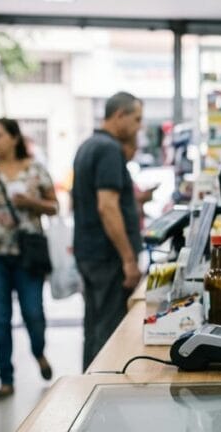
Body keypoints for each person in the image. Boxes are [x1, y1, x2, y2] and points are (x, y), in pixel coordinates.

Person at [0, 118, 58, 403]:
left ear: (14, 138)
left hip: (28, 256)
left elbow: (55, 206)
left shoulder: (36, 171)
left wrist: (31, 204)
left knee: (33, 313)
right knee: (0, 319)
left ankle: (39, 352)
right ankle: (6, 380)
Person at [72, 91, 144, 370]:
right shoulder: (109, 150)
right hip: (106, 255)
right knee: (109, 331)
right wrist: (128, 259)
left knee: (94, 326)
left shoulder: (89, 145)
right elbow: (107, 207)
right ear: (119, 115)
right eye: (136, 119)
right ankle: (100, 386)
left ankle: (89, 381)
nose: (138, 126)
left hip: (89, 252)